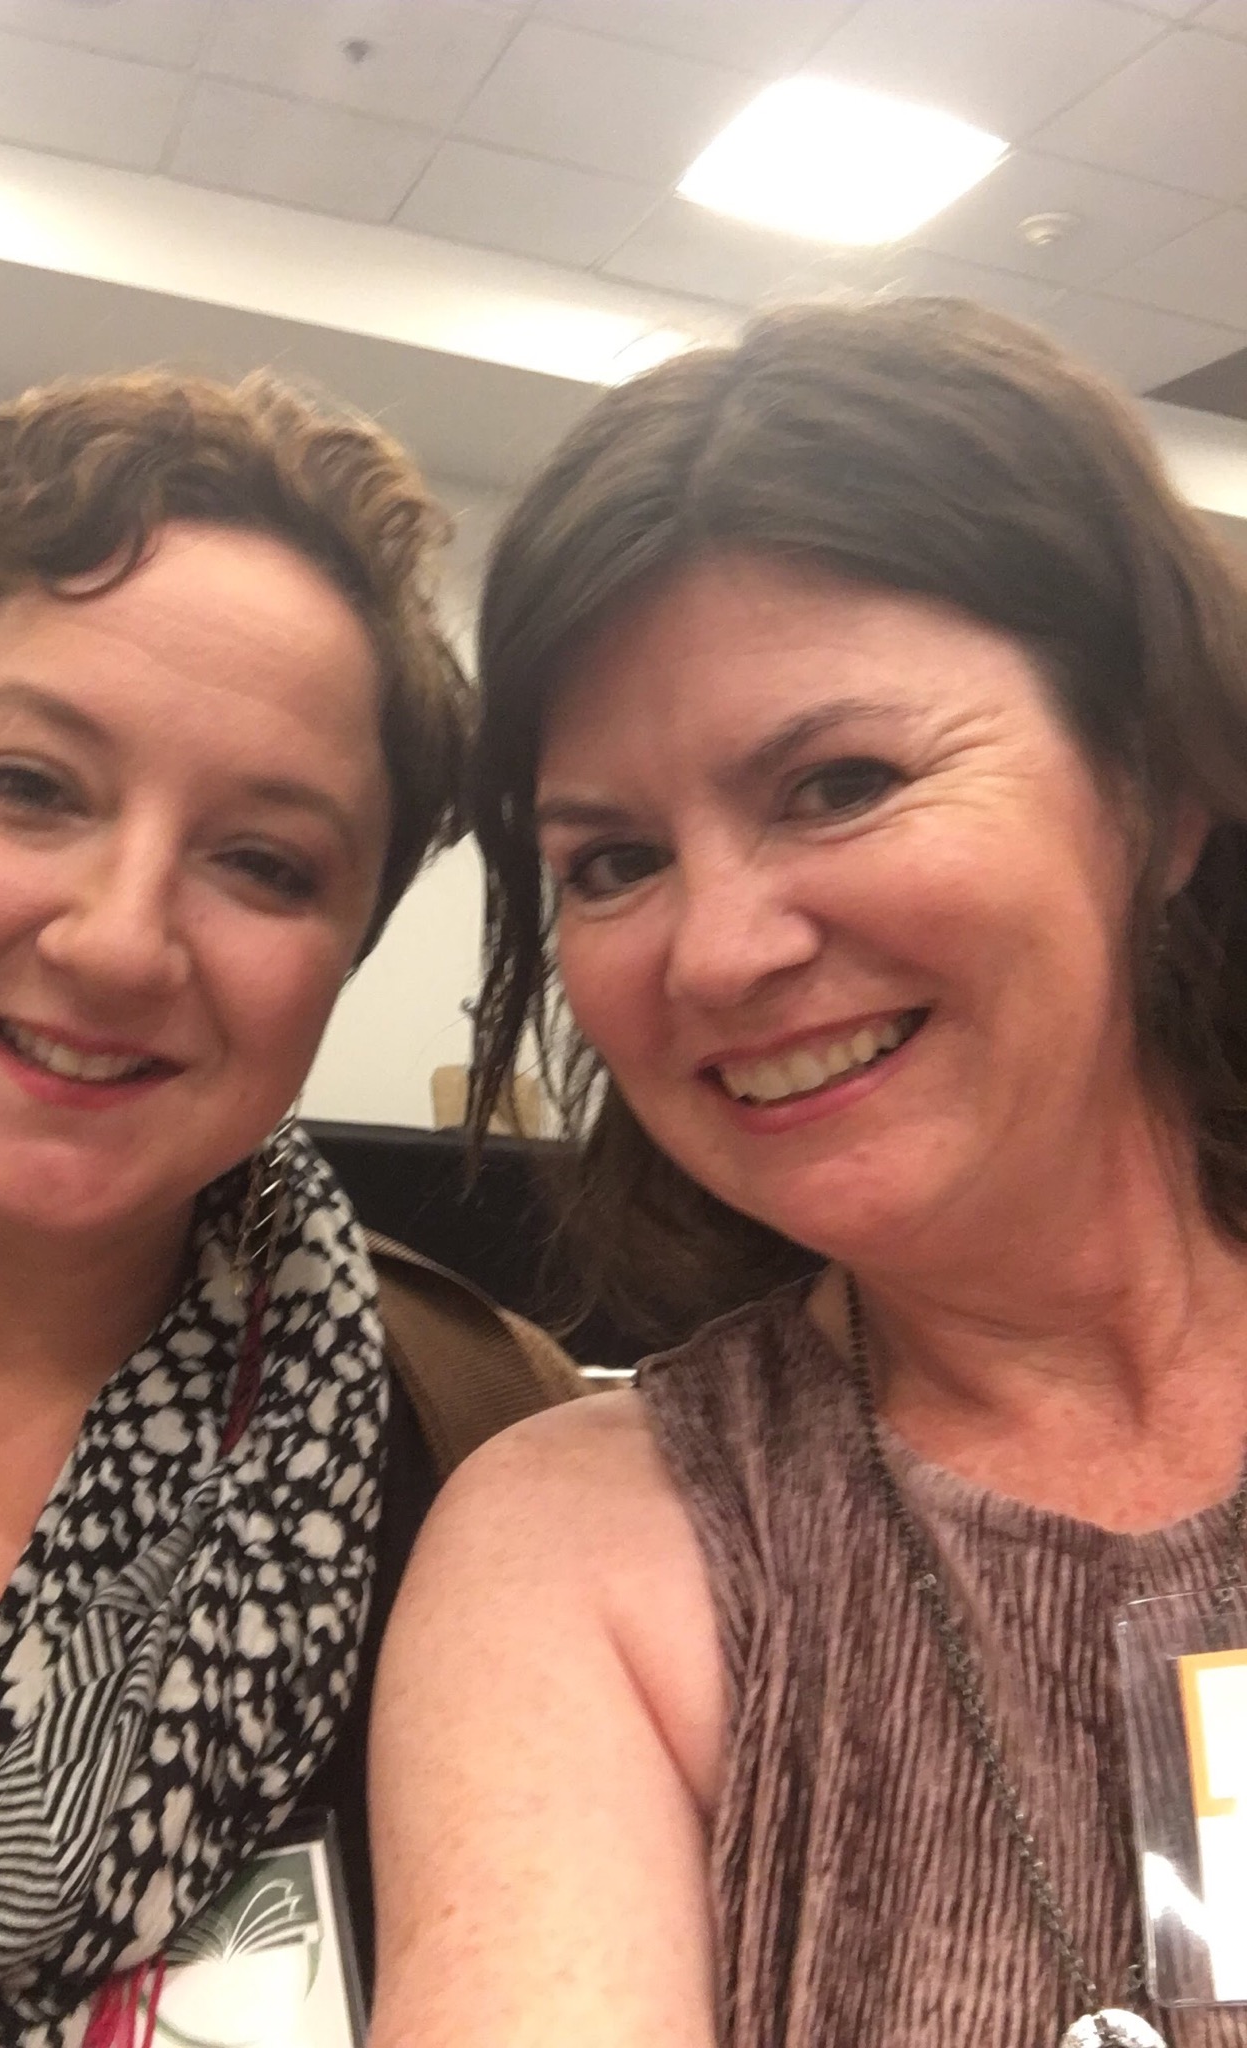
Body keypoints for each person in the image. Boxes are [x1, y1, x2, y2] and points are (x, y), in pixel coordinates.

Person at [367, 297, 1247, 2048]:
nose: (716, 954)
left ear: (1156, 794)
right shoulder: (588, 1557)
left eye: (840, 783)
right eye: (613, 862)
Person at [0, 366, 482, 2046]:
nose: (122, 941)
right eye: (30, 783)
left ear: (342, 960)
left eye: (265, 863)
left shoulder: (476, 1469)